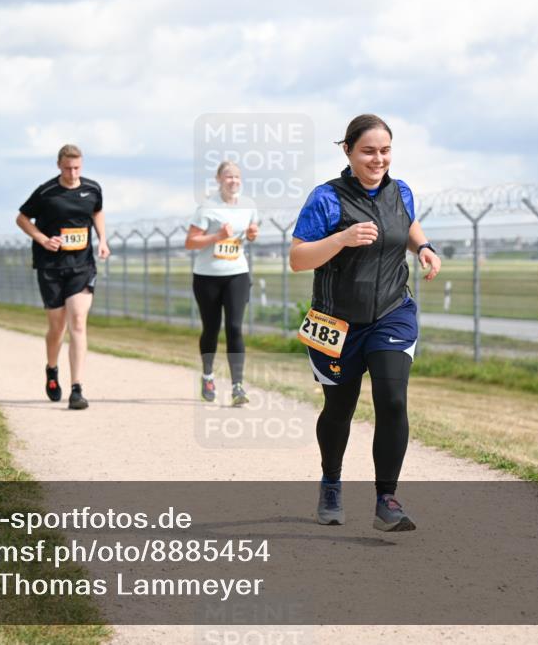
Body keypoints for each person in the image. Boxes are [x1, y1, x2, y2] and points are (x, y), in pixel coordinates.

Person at [289, 114, 442, 532]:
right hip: (335, 320)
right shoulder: (326, 198)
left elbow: (407, 222)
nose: (378, 159)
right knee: (340, 408)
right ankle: (332, 483)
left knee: (393, 400)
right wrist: (341, 238)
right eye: (369, 151)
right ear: (349, 152)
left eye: (385, 151)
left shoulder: (401, 190)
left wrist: (423, 246)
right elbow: (298, 259)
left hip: (392, 311)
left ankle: (386, 499)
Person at [16, 144, 109, 410]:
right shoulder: (46, 192)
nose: (72, 172)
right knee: (57, 328)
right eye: (67, 168)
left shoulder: (92, 189)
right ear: (58, 165)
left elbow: (97, 212)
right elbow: (22, 219)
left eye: (77, 167)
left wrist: (102, 240)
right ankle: (52, 368)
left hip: (82, 266)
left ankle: (77, 388)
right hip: (51, 267)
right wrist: (43, 239)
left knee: (78, 321)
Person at [184, 161, 259, 405]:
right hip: (207, 277)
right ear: (218, 179)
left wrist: (251, 235)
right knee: (212, 328)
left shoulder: (248, 206)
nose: (233, 181)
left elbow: (250, 233)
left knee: (235, 327)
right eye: (228, 177)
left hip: (237, 273)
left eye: (237, 176)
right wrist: (217, 236)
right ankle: (207, 375)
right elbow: (191, 242)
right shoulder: (207, 208)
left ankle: (238, 386)